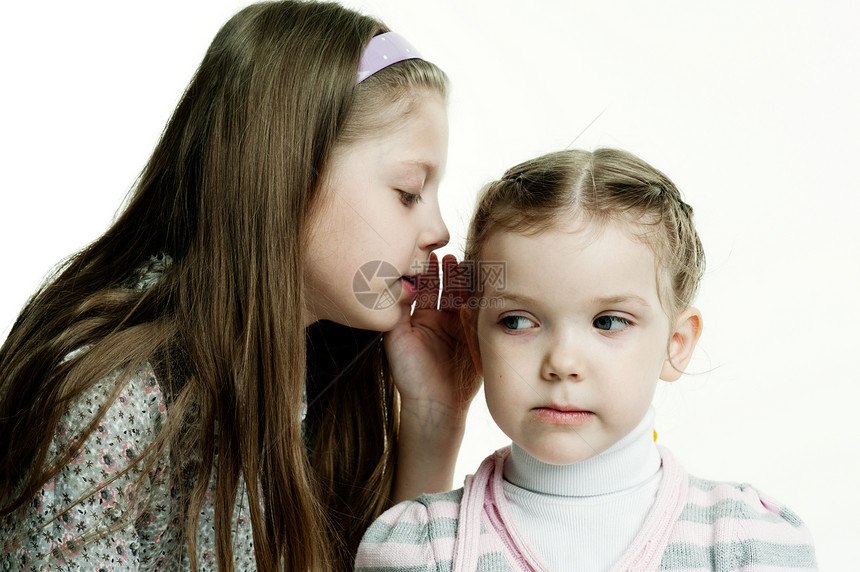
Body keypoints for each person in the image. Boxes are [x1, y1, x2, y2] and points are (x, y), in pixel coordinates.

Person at [0, 2, 478, 570]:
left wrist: (433, 415)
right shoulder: (110, 405)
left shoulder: (306, 373)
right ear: (290, 170)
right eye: (408, 191)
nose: (439, 229)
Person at [355, 148, 817, 571]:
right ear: (475, 343)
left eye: (609, 322)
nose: (562, 362)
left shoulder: (750, 542)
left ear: (676, 344)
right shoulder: (419, 545)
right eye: (517, 321)